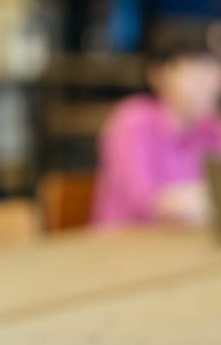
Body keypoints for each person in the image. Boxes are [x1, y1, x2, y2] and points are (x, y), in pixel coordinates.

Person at [92, 22, 221, 228]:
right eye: (196, 70)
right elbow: (143, 202)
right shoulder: (133, 120)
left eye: (214, 70)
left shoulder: (212, 128)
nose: (208, 83)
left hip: (180, 248)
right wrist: (204, 198)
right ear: (158, 74)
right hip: (122, 247)